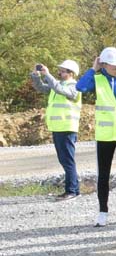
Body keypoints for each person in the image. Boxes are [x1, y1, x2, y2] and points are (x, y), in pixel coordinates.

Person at [76, 47, 116, 227]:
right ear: (103, 64)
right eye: (112, 65)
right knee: (103, 176)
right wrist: (92, 69)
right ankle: (103, 213)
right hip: (105, 136)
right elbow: (80, 87)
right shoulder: (97, 79)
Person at [30, 59, 81, 200]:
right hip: (58, 128)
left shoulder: (74, 87)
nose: (59, 72)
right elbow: (41, 88)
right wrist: (36, 75)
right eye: (60, 70)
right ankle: (73, 189)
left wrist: (48, 74)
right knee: (64, 160)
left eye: (63, 71)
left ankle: (72, 190)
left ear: (71, 73)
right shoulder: (59, 85)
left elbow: (59, 89)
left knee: (67, 160)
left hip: (67, 128)